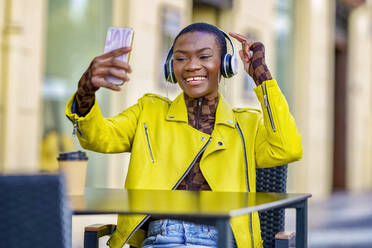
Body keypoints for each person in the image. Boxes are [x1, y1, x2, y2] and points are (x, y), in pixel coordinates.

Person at [65, 23, 302, 248]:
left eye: (204, 56)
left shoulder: (246, 125)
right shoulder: (149, 112)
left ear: (226, 65)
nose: (190, 65)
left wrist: (261, 76)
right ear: (170, 67)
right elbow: (98, 137)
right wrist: (85, 92)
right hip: (160, 237)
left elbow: (287, 148)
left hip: (221, 238)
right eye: (180, 58)